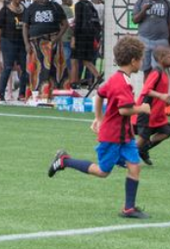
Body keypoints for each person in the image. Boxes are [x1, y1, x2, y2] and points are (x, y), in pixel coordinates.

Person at [48, 35, 154, 220]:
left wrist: (98, 117)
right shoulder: (122, 84)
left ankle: (128, 208)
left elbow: (99, 95)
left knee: (135, 167)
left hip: (125, 136)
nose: (142, 62)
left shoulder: (116, 79)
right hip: (112, 136)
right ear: (133, 60)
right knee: (103, 172)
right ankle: (65, 160)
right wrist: (143, 108)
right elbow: (124, 110)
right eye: (141, 58)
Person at [24, 0, 69, 105]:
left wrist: (58, 38)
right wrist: (27, 44)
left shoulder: (55, 7)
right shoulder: (31, 8)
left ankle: (56, 95)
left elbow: (65, 24)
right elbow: (25, 27)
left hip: (53, 42)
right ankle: (37, 95)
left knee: (56, 70)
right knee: (37, 70)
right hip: (36, 43)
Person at [135, 46, 170, 164]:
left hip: (157, 113)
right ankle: (125, 157)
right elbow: (146, 90)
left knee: (167, 131)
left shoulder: (164, 73)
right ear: (161, 58)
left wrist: (168, 103)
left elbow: (161, 93)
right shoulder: (156, 72)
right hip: (147, 112)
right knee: (143, 137)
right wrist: (161, 96)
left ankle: (143, 150)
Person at [0, 0, 28, 102]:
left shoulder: (25, 9)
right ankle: (1, 93)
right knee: (8, 67)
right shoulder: (5, 10)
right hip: (8, 41)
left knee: (24, 68)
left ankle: (22, 93)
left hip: (22, 42)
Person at [133, 0, 170, 75]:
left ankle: (157, 89)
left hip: (161, 41)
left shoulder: (167, 3)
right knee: (146, 70)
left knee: (159, 70)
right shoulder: (140, 2)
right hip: (144, 40)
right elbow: (135, 20)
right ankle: (147, 89)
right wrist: (143, 10)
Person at [68, 0, 102, 91]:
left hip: (80, 36)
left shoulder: (79, 5)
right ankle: (97, 75)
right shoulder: (90, 4)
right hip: (89, 36)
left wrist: (74, 37)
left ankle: (74, 82)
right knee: (86, 60)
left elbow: (78, 22)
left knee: (74, 60)